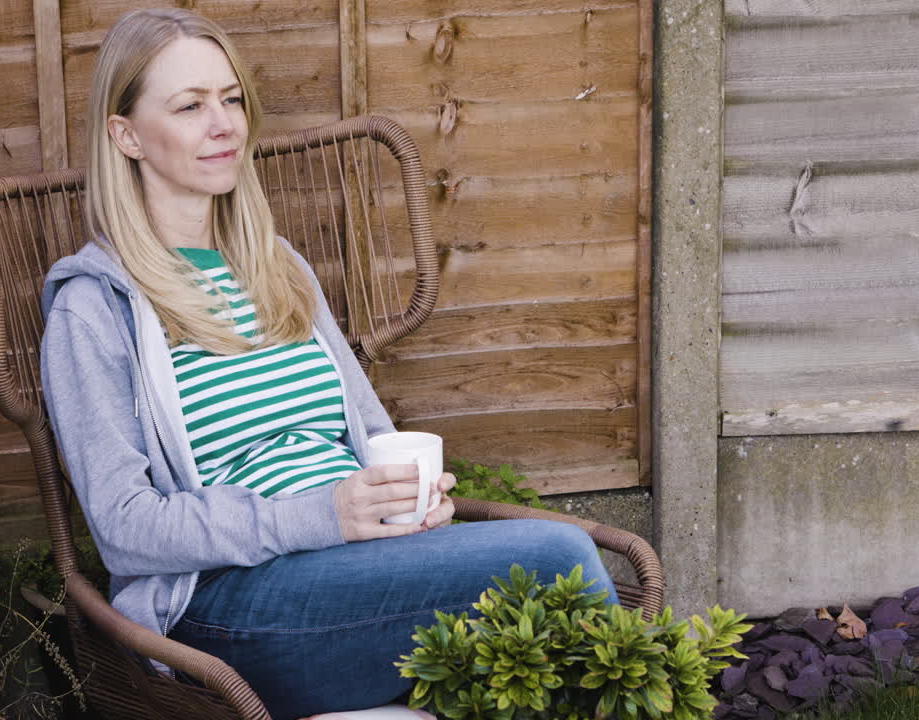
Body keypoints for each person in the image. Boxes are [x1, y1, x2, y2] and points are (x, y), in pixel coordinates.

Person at [39, 8, 620, 719]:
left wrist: (409, 497)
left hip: (357, 570)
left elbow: (371, 436)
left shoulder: (278, 267)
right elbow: (125, 527)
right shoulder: (95, 309)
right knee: (558, 559)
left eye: (230, 99)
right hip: (235, 605)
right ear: (125, 134)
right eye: (190, 106)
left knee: (553, 594)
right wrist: (320, 517)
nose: (223, 124)